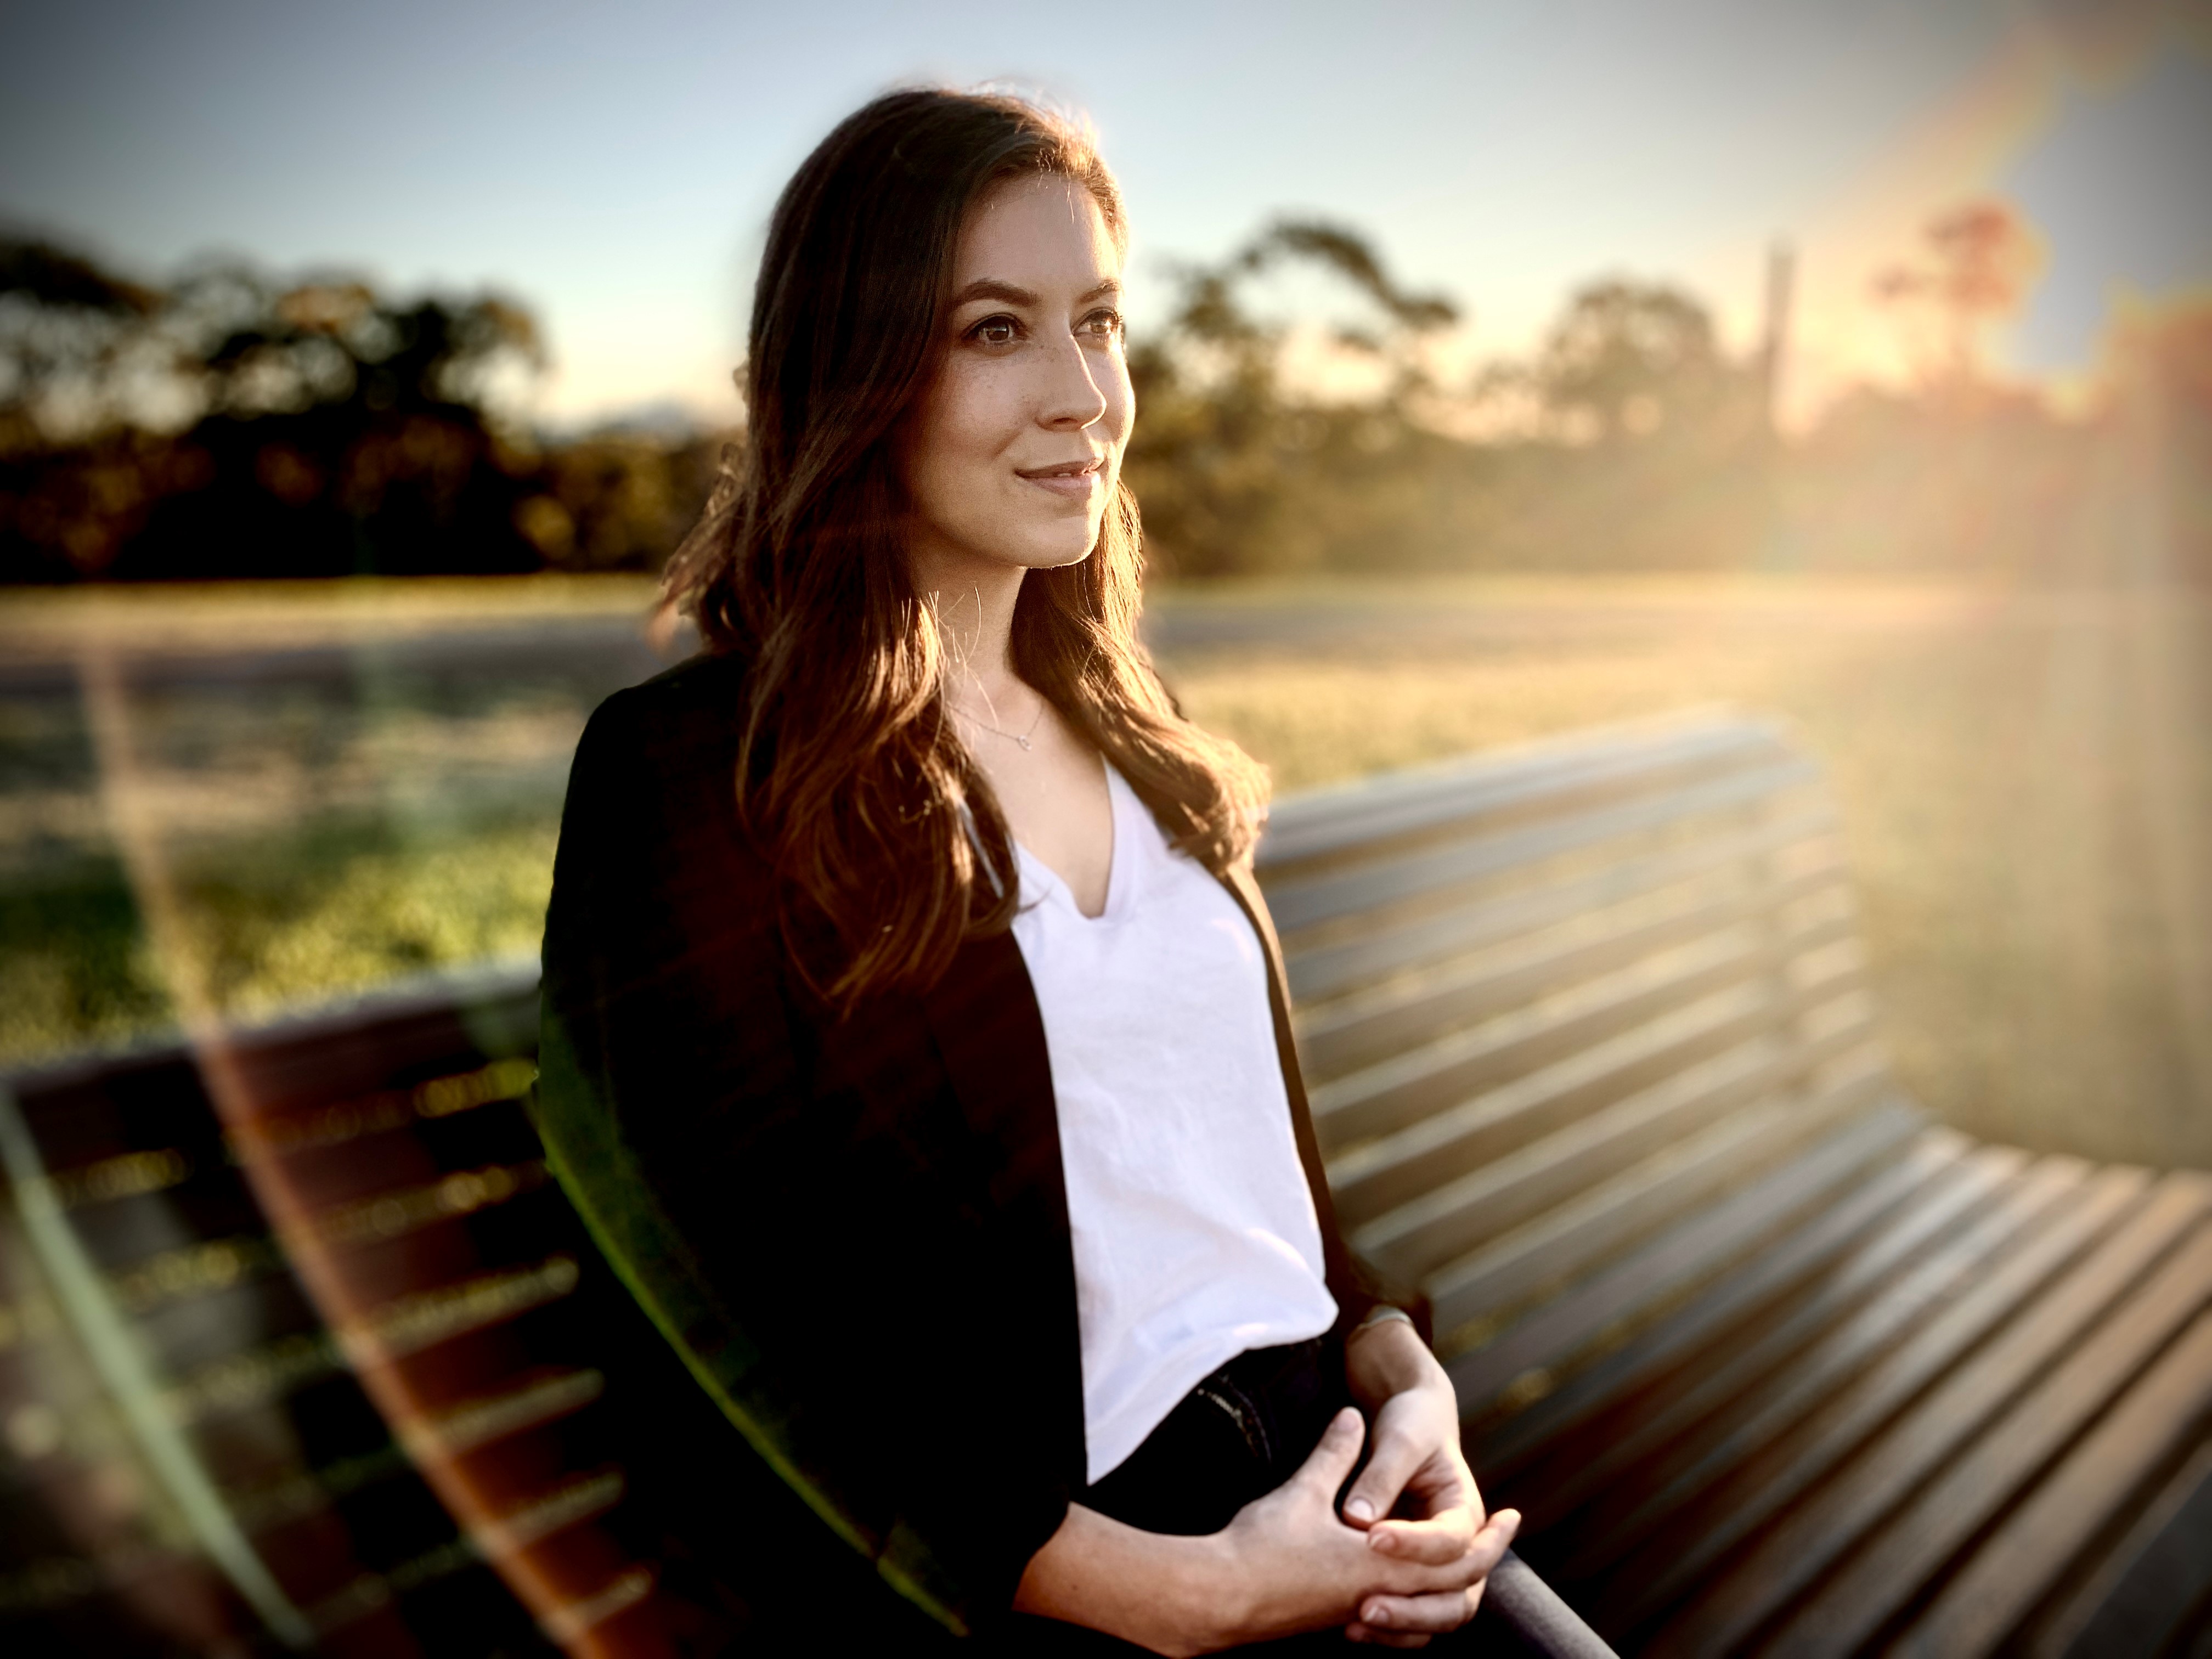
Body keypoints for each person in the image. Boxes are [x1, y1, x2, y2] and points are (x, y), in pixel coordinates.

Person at [537, 87, 1521, 1654]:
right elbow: (712, 1336)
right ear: (857, 369)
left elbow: (1241, 1187)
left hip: (1342, 1491)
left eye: (1101, 322)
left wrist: (1409, 1379)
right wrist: (1182, 1597)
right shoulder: (694, 775)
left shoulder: (1139, 726)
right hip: (1070, 1583)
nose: (1084, 396)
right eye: (996, 330)